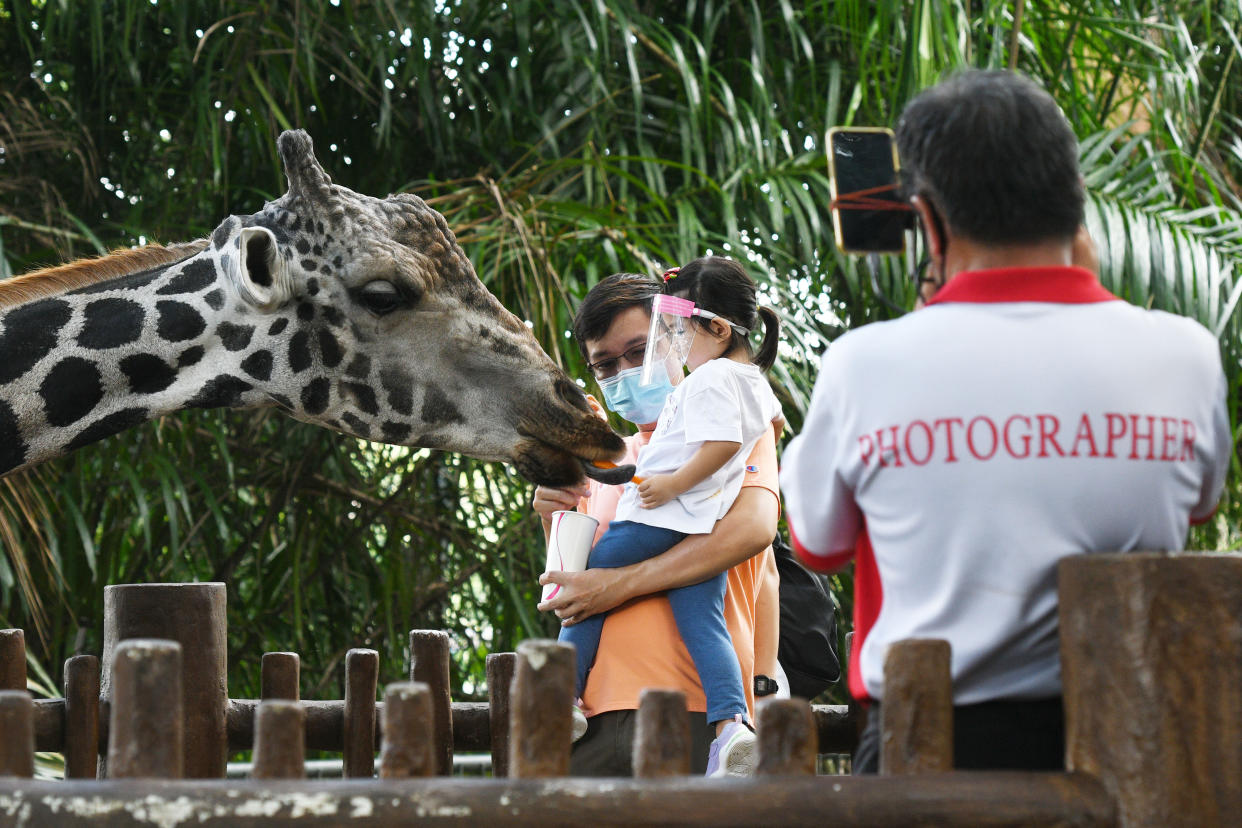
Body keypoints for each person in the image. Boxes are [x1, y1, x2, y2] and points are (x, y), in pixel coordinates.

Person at [780, 69, 1231, 773]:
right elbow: (1199, 505)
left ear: (926, 219)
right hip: (1131, 753)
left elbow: (817, 540)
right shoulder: (1187, 355)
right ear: (1076, 208)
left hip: (927, 754)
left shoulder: (866, 365)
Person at [533, 271, 783, 776]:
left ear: (674, 334)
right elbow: (572, 591)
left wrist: (617, 585)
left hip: (696, 712)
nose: (626, 370)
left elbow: (754, 531)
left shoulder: (732, 429)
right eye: (606, 363)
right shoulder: (601, 461)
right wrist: (552, 514)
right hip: (592, 721)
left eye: (637, 350)